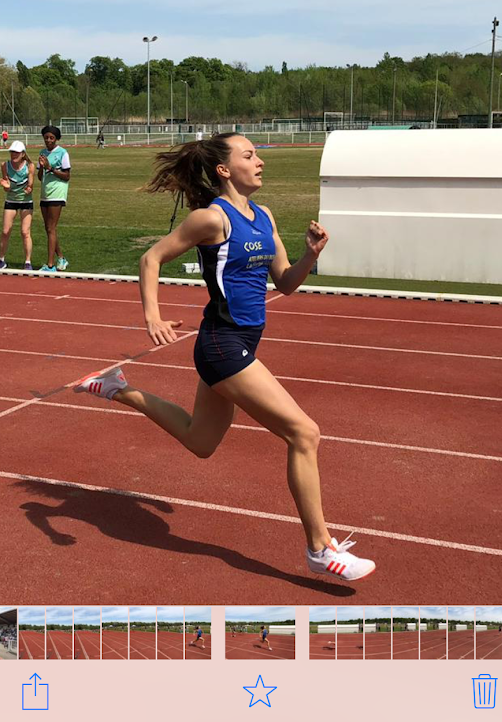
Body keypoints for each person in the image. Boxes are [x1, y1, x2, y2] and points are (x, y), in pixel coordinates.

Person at [74, 132, 376, 583]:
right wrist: (153, 317)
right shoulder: (212, 219)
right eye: (249, 155)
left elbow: (285, 282)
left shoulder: (264, 216)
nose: (260, 162)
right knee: (304, 433)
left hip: (243, 343)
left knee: (200, 442)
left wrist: (310, 255)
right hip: (221, 345)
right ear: (224, 170)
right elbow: (151, 259)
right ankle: (320, 547)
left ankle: (118, 388)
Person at [37, 125, 71, 272]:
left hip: (57, 193)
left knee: (51, 228)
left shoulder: (62, 153)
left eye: (51, 137)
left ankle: (50, 265)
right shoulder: (42, 153)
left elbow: (67, 176)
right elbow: (40, 177)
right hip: (45, 193)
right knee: (49, 228)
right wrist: (42, 167)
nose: (49, 140)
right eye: (46, 137)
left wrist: (50, 168)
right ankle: (61, 258)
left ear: (56, 139)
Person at [0, 140, 34, 270]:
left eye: (16, 152)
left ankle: (27, 262)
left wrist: (29, 189)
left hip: (26, 202)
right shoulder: (5, 165)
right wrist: (6, 186)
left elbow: (30, 185)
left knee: (25, 232)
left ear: (23, 154)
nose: (13, 155)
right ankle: (1, 260)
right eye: (12, 152)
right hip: (11, 201)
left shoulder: (29, 166)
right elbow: (7, 186)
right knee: (5, 231)